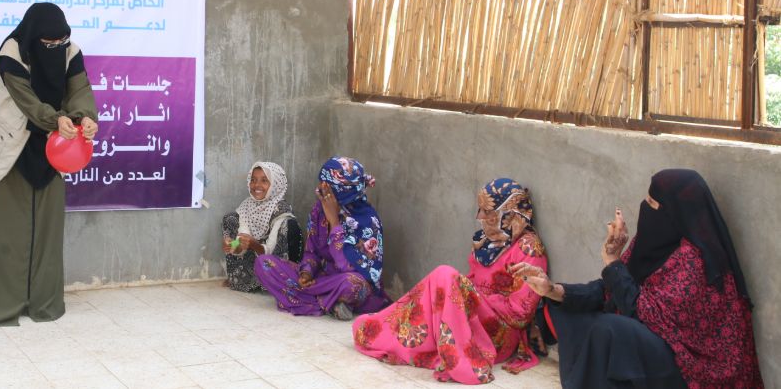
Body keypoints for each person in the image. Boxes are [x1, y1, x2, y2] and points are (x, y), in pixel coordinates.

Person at [514, 169, 764, 388]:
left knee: (610, 329)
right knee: (568, 311)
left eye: (652, 203)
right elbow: (610, 290)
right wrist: (553, 290)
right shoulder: (654, 243)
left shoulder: (695, 260)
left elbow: (643, 313)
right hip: (655, 343)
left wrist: (613, 262)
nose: (645, 207)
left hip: (691, 371)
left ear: (675, 213)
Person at [0, 3, 99, 326]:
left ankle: (42, 303)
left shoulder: (71, 52)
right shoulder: (11, 53)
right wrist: (58, 120)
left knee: (46, 231)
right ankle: (0, 305)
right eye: (48, 44)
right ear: (33, 38)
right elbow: (27, 101)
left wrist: (85, 119)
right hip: (5, 150)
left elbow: (79, 90)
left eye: (60, 43)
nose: (55, 49)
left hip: (50, 150)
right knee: (4, 232)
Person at [353, 178, 548, 384]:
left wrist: (474, 297)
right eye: (479, 209)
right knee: (442, 281)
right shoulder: (486, 240)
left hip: (500, 333)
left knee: (445, 274)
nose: (479, 216)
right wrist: (467, 295)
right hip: (476, 317)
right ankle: (390, 329)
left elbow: (520, 315)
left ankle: (460, 360)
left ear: (509, 215)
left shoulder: (529, 248)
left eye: (488, 212)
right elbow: (471, 282)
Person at [253, 156, 388, 319]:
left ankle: (312, 299)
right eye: (321, 183)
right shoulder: (319, 210)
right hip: (320, 278)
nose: (320, 189)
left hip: (345, 280)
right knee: (264, 263)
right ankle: (330, 303)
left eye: (327, 186)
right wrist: (306, 273)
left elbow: (351, 269)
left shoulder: (367, 220)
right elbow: (311, 251)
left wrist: (334, 223)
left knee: (352, 286)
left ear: (343, 190)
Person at [221, 161, 303, 292]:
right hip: (253, 263)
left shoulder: (281, 211)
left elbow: (270, 250)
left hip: (272, 266)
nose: (256, 185)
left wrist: (255, 245)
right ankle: (245, 279)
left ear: (275, 185)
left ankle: (279, 283)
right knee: (230, 218)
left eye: (264, 181)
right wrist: (234, 246)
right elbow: (243, 237)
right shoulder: (247, 205)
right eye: (253, 180)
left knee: (289, 225)